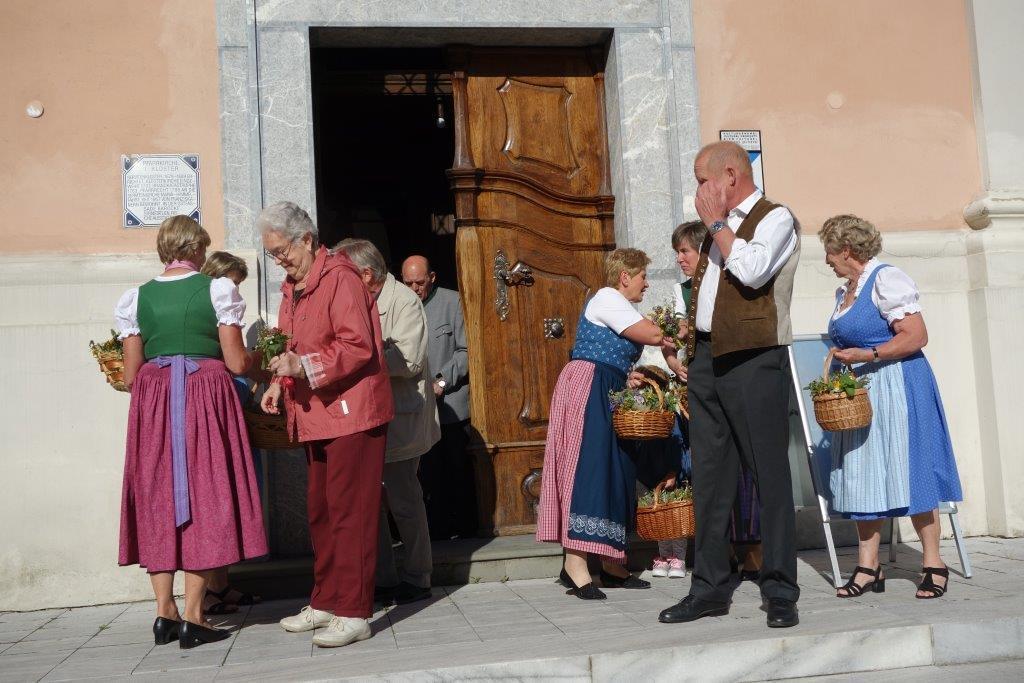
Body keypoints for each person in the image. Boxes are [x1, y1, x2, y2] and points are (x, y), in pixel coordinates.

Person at [659, 141, 801, 629]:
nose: (698, 190)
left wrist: (719, 224)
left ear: (730, 176)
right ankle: (709, 588)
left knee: (769, 476)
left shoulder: (775, 217)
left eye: (703, 179)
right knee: (711, 478)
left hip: (754, 359)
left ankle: (780, 590)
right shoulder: (712, 231)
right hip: (706, 359)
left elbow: (753, 271)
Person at [115, 215, 267, 649]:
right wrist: (264, 360)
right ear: (195, 248)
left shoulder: (136, 297)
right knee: (206, 494)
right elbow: (236, 362)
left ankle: (164, 612)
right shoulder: (217, 290)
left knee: (157, 498)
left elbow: (130, 375)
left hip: (155, 404)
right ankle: (196, 616)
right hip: (203, 397)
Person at [258, 202, 394, 648]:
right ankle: (327, 600)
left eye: (282, 251)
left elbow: (358, 346)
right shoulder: (293, 286)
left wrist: (303, 367)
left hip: (353, 413)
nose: (279, 260)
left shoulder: (341, 278)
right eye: (272, 254)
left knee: (351, 513)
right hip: (316, 414)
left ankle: (354, 612)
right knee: (321, 511)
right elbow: (290, 345)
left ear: (306, 239)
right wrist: (279, 381)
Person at [818, 214, 963, 599]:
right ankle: (869, 566)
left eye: (829, 251)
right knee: (863, 473)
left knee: (913, 468)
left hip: (899, 384)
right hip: (863, 393)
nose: (827, 260)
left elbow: (916, 335)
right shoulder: (845, 291)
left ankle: (933, 562)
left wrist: (870, 354)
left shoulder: (886, 280)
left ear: (846, 249)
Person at [536, 248, 667, 600]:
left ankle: (611, 563)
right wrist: (676, 330)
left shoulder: (619, 306)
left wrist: (627, 377)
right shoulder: (607, 297)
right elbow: (654, 335)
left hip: (608, 386)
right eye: (642, 277)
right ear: (625, 276)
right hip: (589, 385)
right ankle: (575, 564)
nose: (646, 284)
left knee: (616, 471)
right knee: (589, 469)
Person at [334, 239, 441, 606]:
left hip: (401, 418)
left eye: (345, 274)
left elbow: (409, 361)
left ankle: (418, 576)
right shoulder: (355, 299)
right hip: (364, 415)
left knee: (404, 500)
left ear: (366, 275)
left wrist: (355, 359)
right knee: (369, 503)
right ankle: (382, 578)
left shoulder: (403, 301)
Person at [661, 221, 763, 582]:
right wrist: (674, 363)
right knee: (708, 471)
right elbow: (671, 341)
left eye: (685, 251)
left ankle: (754, 550)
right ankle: (719, 552)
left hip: (730, 383)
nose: (679, 259)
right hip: (695, 393)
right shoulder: (681, 291)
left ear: (703, 252)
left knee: (744, 470)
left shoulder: (726, 283)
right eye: (677, 252)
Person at [198, 251, 264, 613]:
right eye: (234, 283)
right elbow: (232, 362)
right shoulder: (210, 315)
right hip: (216, 416)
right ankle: (209, 590)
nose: (236, 290)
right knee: (215, 501)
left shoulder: (227, 314)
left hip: (232, 413)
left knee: (230, 503)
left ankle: (220, 585)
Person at [401, 256, 475, 539]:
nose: (414, 288)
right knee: (428, 473)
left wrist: (443, 381)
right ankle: (438, 530)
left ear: (432, 278)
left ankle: (466, 529)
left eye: (420, 283)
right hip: (416, 408)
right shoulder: (400, 305)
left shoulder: (452, 302)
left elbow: (465, 350)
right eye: (408, 283)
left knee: (458, 468)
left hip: (451, 407)